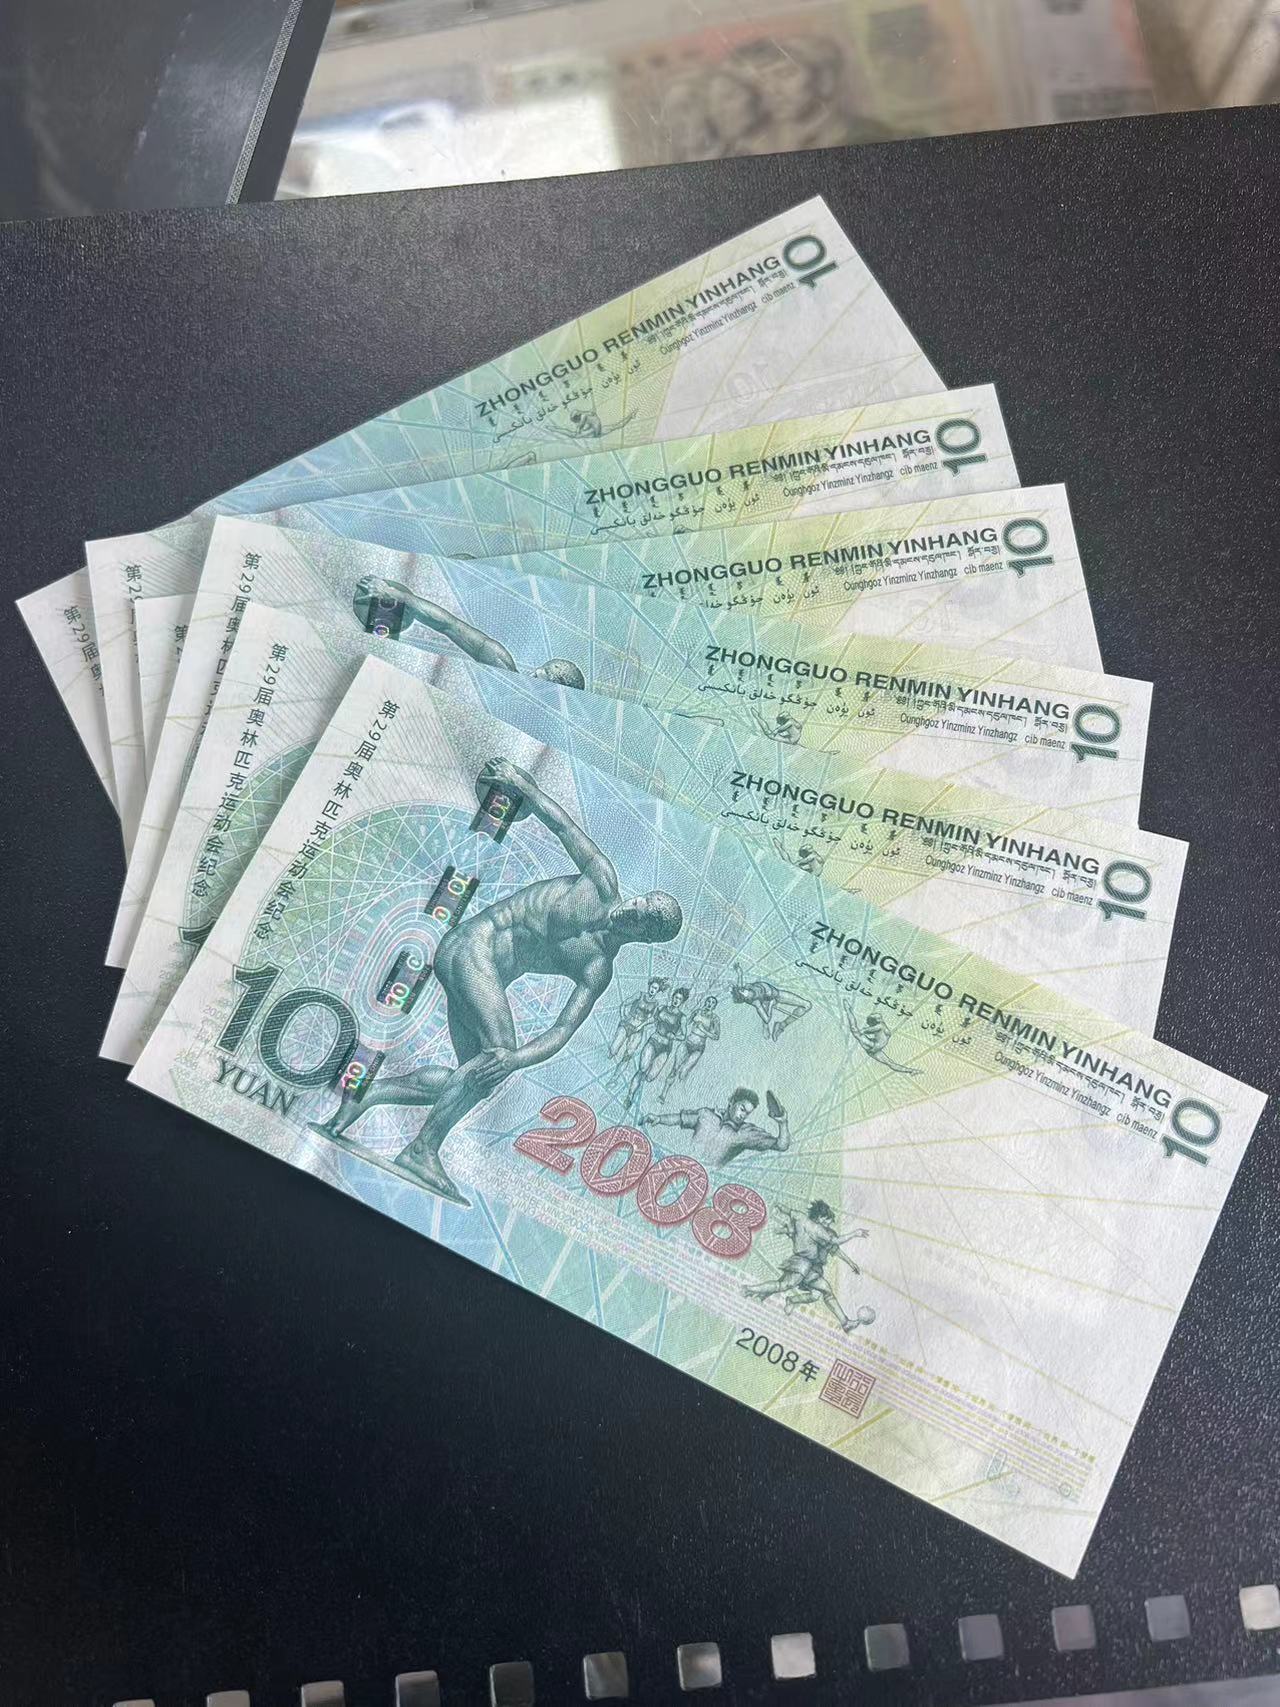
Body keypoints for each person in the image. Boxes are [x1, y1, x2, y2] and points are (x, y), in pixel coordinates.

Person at [309, 757, 681, 1202]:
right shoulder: (601, 881)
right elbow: (562, 827)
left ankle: (368, 1094)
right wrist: (522, 784)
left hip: (477, 971)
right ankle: (422, 1151)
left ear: (645, 937)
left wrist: (517, 1060)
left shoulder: (596, 967)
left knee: (475, 1077)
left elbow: (562, 1029)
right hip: (474, 945)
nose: (631, 910)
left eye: (641, 918)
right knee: (494, 1055)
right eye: (640, 902)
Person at [352, 574, 586, 688]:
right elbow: (448, 624)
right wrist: (394, 595)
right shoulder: (502, 667)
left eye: (543, 678)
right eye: (539, 672)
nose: (535, 675)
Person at [743, 1199, 874, 1332]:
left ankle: (845, 1323)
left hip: (811, 1267)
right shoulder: (818, 1230)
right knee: (784, 1285)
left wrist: (778, 1205)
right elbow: (834, 1242)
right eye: (827, 1220)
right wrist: (855, 1234)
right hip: (802, 1263)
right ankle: (749, 1289)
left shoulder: (802, 1218)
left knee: (823, 1292)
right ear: (820, 1217)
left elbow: (789, 1211)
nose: (829, 1224)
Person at [645, 1087, 788, 1169]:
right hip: (680, 1166)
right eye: (742, 1109)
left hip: (705, 1181)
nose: (743, 1115)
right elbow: (679, 1118)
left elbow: (781, 1146)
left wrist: (783, 1123)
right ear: (732, 1101)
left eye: (747, 1113)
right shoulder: (705, 1115)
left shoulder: (746, 1133)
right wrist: (659, 1119)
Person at [624, 986, 689, 1109]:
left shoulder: (682, 1017)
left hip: (665, 1048)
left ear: (682, 1002)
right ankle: (630, 1096)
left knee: (650, 1077)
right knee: (642, 1069)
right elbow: (652, 1020)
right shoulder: (661, 1008)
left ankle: (638, 1085)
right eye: (675, 997)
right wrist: (640, 1026)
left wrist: (675, 1036)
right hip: (653, 1041)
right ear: (672, 997)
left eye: (679, 999)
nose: (676, 1000)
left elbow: (683, 1036)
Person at [730, 962, 810, 1041]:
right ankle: (766, 1027)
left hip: (778, 994)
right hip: (771, 1000)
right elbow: (767, 1019)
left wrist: (737, 968)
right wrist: (771, 1004)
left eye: (741, 990)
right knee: (765, 1015)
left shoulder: (742, 988)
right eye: (742, 993)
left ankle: (781, 1025)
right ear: (744, 998)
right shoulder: (756, 1002)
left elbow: (740, 974)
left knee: (807, 1005)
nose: (743, 990)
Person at [846, 1000, 922, 1076]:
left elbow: (865, 1031)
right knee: (854, 1030)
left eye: (880, 1017)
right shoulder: (878, 1026)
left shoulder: (881, 1026)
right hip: (872, 1045)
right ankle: (848, 1011)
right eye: (879, 1018)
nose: (880, 1018)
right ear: (876, 1020)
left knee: (890, 1063)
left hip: (875, 1049)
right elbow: (863, 1031)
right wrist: (865, 1031)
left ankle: (911, 1071)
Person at [609, 976, 668, 1069]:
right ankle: (606, 1060)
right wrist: (623, 1016)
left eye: (655, 989)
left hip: (638, 1029)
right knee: (613, 1049)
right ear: (649, 986)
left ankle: (618, 1070)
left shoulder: (656, 1004)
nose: (653, 990)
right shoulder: (640, 994)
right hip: (627, 1024)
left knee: (629, 1053)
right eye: (652, 987)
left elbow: (653, 1018)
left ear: (658, 991)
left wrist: (642, 1025)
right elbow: (624, 1004)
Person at [664, 993, 720, 1087]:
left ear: (714, 1006)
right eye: (708, 1001)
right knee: (674, 1069)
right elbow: (685, 1024)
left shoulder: (715, 1018)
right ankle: (664, 1092)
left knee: (684, 1072)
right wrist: (676, 1033)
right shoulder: (697, 1012)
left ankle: (678, 1090)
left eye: (712, 1003)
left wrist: (703, 1030)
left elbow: (716, 1036)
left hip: (698, 1048)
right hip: (687, 1043)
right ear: (705, 1002)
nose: (710, 1004)